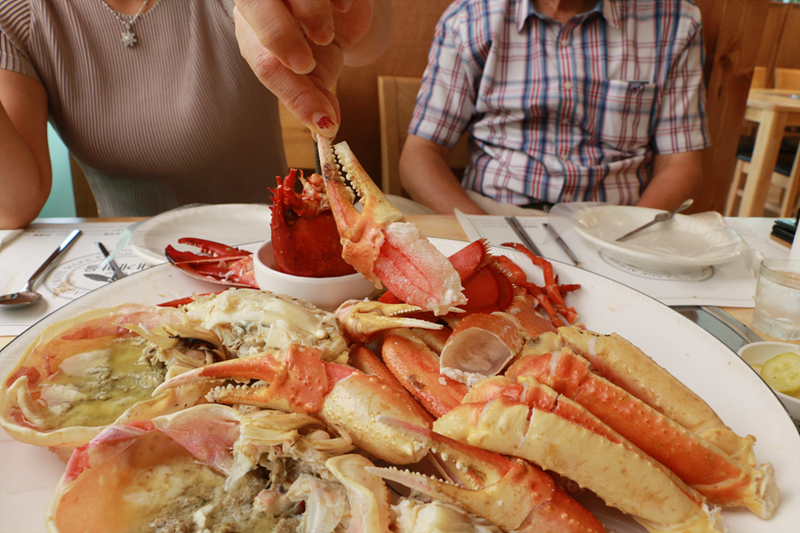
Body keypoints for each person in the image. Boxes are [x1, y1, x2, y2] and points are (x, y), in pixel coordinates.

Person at [0, 0, 391, 228]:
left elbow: (364, 42)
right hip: (124, 264)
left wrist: (334, 15)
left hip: (267, 243)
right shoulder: (17, 15)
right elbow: (12, 205)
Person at [399, 0, 709, 215]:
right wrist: (486, 235)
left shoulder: (676, 19)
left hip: (616, 218)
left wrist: (630, 232)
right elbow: (421, 155)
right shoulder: (470, 16)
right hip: (490, 210)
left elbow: (680, 163)